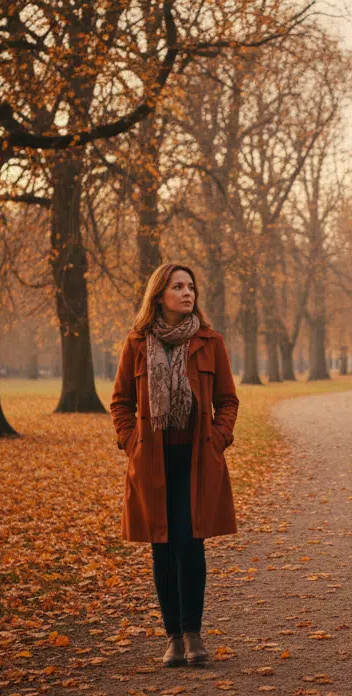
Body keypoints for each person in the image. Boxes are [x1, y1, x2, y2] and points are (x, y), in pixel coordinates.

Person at [111, 263, 239, 667]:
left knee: (191, 544)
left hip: (196, 458)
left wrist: (217, 440)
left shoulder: (209, 340)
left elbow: (228, 401)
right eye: (178, 287)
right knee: (162, 548)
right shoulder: (136, 343)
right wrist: (132, 442)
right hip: (152, 460)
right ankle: (172, 639)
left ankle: (193, 633)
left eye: (191, 287)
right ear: (159, 295)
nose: (188, 294)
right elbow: (121, 403)